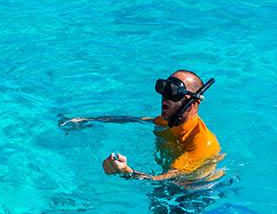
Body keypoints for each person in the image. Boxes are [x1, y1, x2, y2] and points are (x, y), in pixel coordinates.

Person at [61, 69, 220, 181]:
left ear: (194, 102)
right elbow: (136, 120)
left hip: (193, 192)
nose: (164, 98)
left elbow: (162, 180)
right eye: (163, 90)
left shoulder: (202, 144)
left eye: (173, 93)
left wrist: (127, 172)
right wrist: (88, 120)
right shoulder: (169, 120)